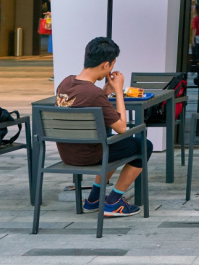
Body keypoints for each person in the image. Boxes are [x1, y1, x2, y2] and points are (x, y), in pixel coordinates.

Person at [54, 37, 153, 218]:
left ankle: (93, 200)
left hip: (67, 153)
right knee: (144, 145)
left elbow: (86, 100)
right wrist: (118, 91)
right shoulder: (94, 94)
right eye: (112, 64)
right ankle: (114, 202)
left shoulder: (65, 83)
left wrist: (104, 93)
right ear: (106, 65)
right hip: (89, 155)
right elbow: (121, 127)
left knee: (114, 144)